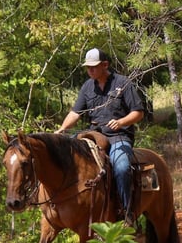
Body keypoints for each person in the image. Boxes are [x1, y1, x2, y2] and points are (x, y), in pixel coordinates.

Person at [56, 47, 144, 225]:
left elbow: (138, 112)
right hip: (93, 136)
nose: (90, 70)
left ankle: (127, 213)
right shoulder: (87, 86)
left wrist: (121, 122)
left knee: (121, 167)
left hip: (119, 136)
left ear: (105, 65)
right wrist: (62, 129)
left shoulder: (122, 83)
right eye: (88, 67)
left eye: (93, 67)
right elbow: (75, 112)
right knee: (65, 155)